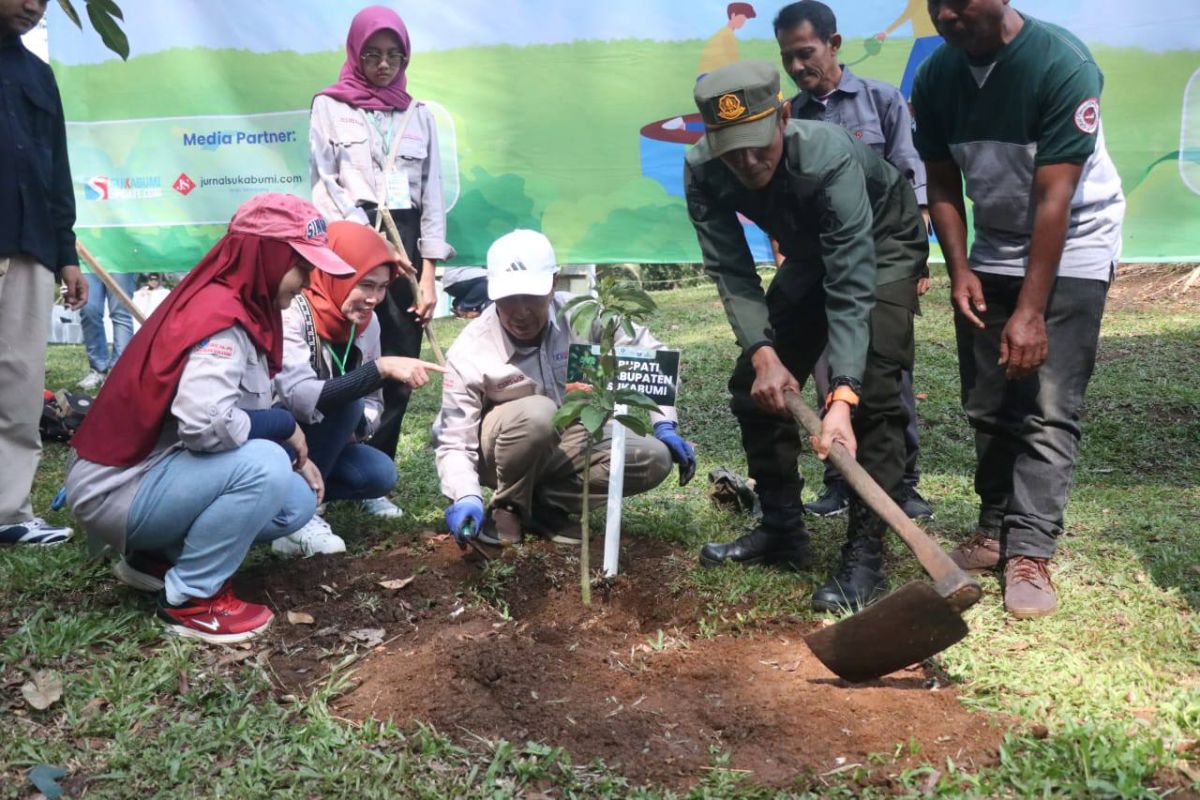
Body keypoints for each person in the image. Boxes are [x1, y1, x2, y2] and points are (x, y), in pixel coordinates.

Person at [684, 61, 927, 612]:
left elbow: (851, 278)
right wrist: (765, 355)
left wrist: (841, 394)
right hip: (814, 250)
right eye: (731, 149)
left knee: (875, 396)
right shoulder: (701, 169)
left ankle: (865, 555)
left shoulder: (829, 154)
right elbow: (731, 270)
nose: (747, 162)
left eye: (757, 144)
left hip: (882, 245)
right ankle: (782, 532)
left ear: (784, 116)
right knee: (754, 385)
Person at [64, 193, 357, 643]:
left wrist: (288, 439)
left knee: (294, 503)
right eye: (301, 267)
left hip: (149, 476)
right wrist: (285, 429)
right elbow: (206, 425)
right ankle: (193, 600)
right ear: (267, 257)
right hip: (120, 488)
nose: (307, 282)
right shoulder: (221, 316)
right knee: (266, 464)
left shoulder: (244, 305)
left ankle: (154, 561)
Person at [913, 1, 1124, 618]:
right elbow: (943, 183)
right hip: (994, 244)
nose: (947, 14)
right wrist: (959, 267)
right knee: (986, 397)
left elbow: (1055, 197)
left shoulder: (1061, 63)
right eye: (935, 4)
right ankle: (995, 525)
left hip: (1074, 241)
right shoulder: (936, 77)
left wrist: (1031, 312)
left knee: (1048, 402)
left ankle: (1030, 549)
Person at [774, 0, 933, 521]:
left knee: (885, 373)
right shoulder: (789, 116)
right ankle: (841, 480)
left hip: (883, 258)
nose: (798, 67)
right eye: (788, 58)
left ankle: (901, 484)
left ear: (834, 44)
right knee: (829, 372)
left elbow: (910, 185)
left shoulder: (883, 101)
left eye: (806, 53)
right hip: (822, 263)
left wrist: (917, 265)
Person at [434, 230, 695, 547]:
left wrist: (664, 422)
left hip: (569, 437)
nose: (520, 311)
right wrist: (466, 495)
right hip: (500, 455)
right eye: (508, 298)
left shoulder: (583, 315)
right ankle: (506, 507)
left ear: (553, 284)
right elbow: (453, 442)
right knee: (538, 413)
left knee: (653, 457)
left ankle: (545, 506)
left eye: (530, 296)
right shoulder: (470, 350)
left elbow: (652, 358)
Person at [310, 5, 454, 519]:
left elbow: (432, 196)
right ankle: (320, 464)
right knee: (340, 352)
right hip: (352, 237)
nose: (383, 64)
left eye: (394, 55)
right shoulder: (329, 106)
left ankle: (377, 476)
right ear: (355, 53)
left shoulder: (420, 115)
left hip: (408, 238)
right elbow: (324, 182)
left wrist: (429, 272)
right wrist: (369, 245)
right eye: (372, 54)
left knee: (399, 353)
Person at [272, 220, 444, 556]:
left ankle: (298, 493)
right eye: (364, 285)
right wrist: (379, 369)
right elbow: (301, 398)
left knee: (377, 474)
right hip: (277, 436)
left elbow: (373, 403)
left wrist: (360, 425)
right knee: (345, 404)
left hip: (321, 434)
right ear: (333, 274)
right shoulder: (292, 313)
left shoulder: (368, 323)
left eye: (382, 288)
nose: (374, 299)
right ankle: (297, 517)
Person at [0, 0, 88, 547]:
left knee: (19, 382)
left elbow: (56, 167)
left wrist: (66, 252)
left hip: (29, 247)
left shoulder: (37, 74)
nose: (33, 6)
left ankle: (9, 509)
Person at [76, 269, 139, 391]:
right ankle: (98, 369)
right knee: (88, 310)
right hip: (89, 257)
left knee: (120, 312)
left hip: (120, 258)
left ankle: (118, 373)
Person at [874, 0, 944, 100]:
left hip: (928, 38)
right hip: (926, 38)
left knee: (912, 73)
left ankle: (901, 102)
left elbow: (908, 13)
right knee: (911, 74)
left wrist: (887, 31)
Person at [698, 2, 757, 78]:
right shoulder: (727, 35)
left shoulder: (724, 32)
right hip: (710, 77)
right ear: (733, 15)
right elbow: (733, 63)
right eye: (741, 19)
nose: (742, 22)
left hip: (710, 77)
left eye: (744, 20)